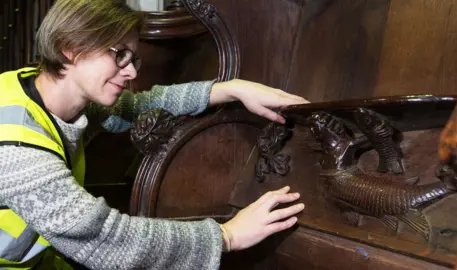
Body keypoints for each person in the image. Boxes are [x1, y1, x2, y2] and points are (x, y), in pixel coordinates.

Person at [0, 0, 309, 269]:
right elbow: (106, 241)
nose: (131, 72)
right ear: (72, 49)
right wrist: (226, 236)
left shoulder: (39, 88)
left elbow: (141, 105)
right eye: (119, 54)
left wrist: (230, 89)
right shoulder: (16, 145)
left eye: (133, 59)